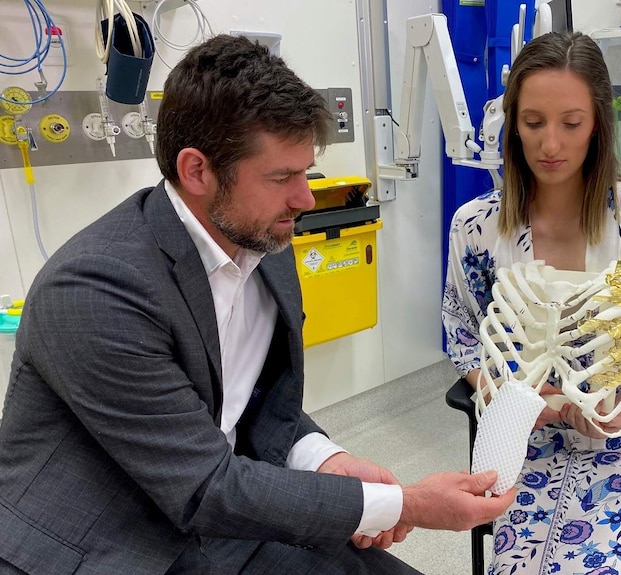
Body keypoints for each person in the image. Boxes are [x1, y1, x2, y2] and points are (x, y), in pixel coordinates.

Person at [0, 34, 515, 575]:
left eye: (306, 172)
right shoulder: (95, 291)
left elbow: (254, 402)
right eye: (281, 178)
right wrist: (408, 504)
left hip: (217, 516)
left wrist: (327, 459)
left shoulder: (262, 242)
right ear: (197, 171)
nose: (305, 199)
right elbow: (205, 486)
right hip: (108, 544)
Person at [442, 31, 621, 575]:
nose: (551, 145)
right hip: (530, 437)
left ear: (598, 126)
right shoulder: (476, 228)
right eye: (533, 122)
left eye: (572, 123)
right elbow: (466, 339)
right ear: (512, 124)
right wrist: (528, 401)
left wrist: (617, 406)